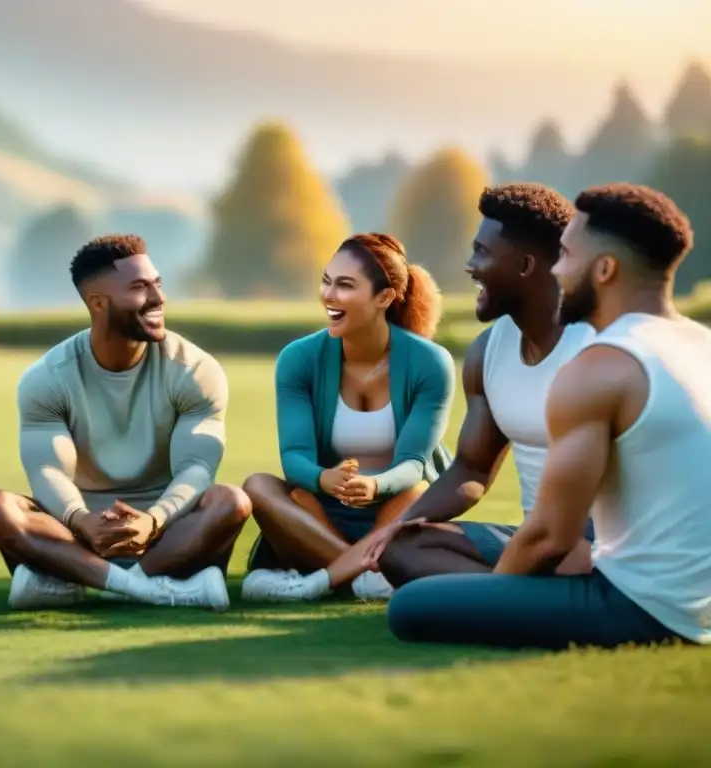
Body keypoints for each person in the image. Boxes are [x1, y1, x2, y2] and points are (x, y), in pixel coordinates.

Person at [388, 182, 711, 650]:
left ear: (604, 269)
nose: (557, 270)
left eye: (567, 256)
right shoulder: (699, 343)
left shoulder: (602, 364)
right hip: (694, 600)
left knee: (411, 607)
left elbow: (548, 537)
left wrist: (497, 599)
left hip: (640, 606)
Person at [0, 234, 250, 612]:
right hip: (80, 534)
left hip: (168, 533)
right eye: (139, 287)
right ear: (98, 304)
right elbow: (47, 471)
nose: (157, 298)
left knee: (231, 502)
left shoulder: (196, 370)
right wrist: (83, 520)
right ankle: (144, 588)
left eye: (158, 283)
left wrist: (153, 521)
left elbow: (197, 467)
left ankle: (71, 581)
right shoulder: (48, 377)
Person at [360, 183, 597, 586]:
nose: (470, 265)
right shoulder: (488, 351)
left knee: (416, 606)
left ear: (525, 265)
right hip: (533, 542)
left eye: (482, 252)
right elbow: (472, 469)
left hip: (601, 543)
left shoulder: (596, 350)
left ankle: (511, 595)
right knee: (404, 548)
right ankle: (523, 596)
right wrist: (394, 527)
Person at [239, 233, 456, 603]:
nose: (329, 295)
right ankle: (367, 577)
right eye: (326, 281)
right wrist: (325, 478)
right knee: (258, 485)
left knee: (417, 493)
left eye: (345, 285)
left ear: (385, 297)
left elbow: (414, 464)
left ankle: (318, 583)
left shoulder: (430, 363)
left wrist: (375, 486)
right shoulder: (299, 358)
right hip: (321, 516)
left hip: (394, 513)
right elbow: (294, 457)